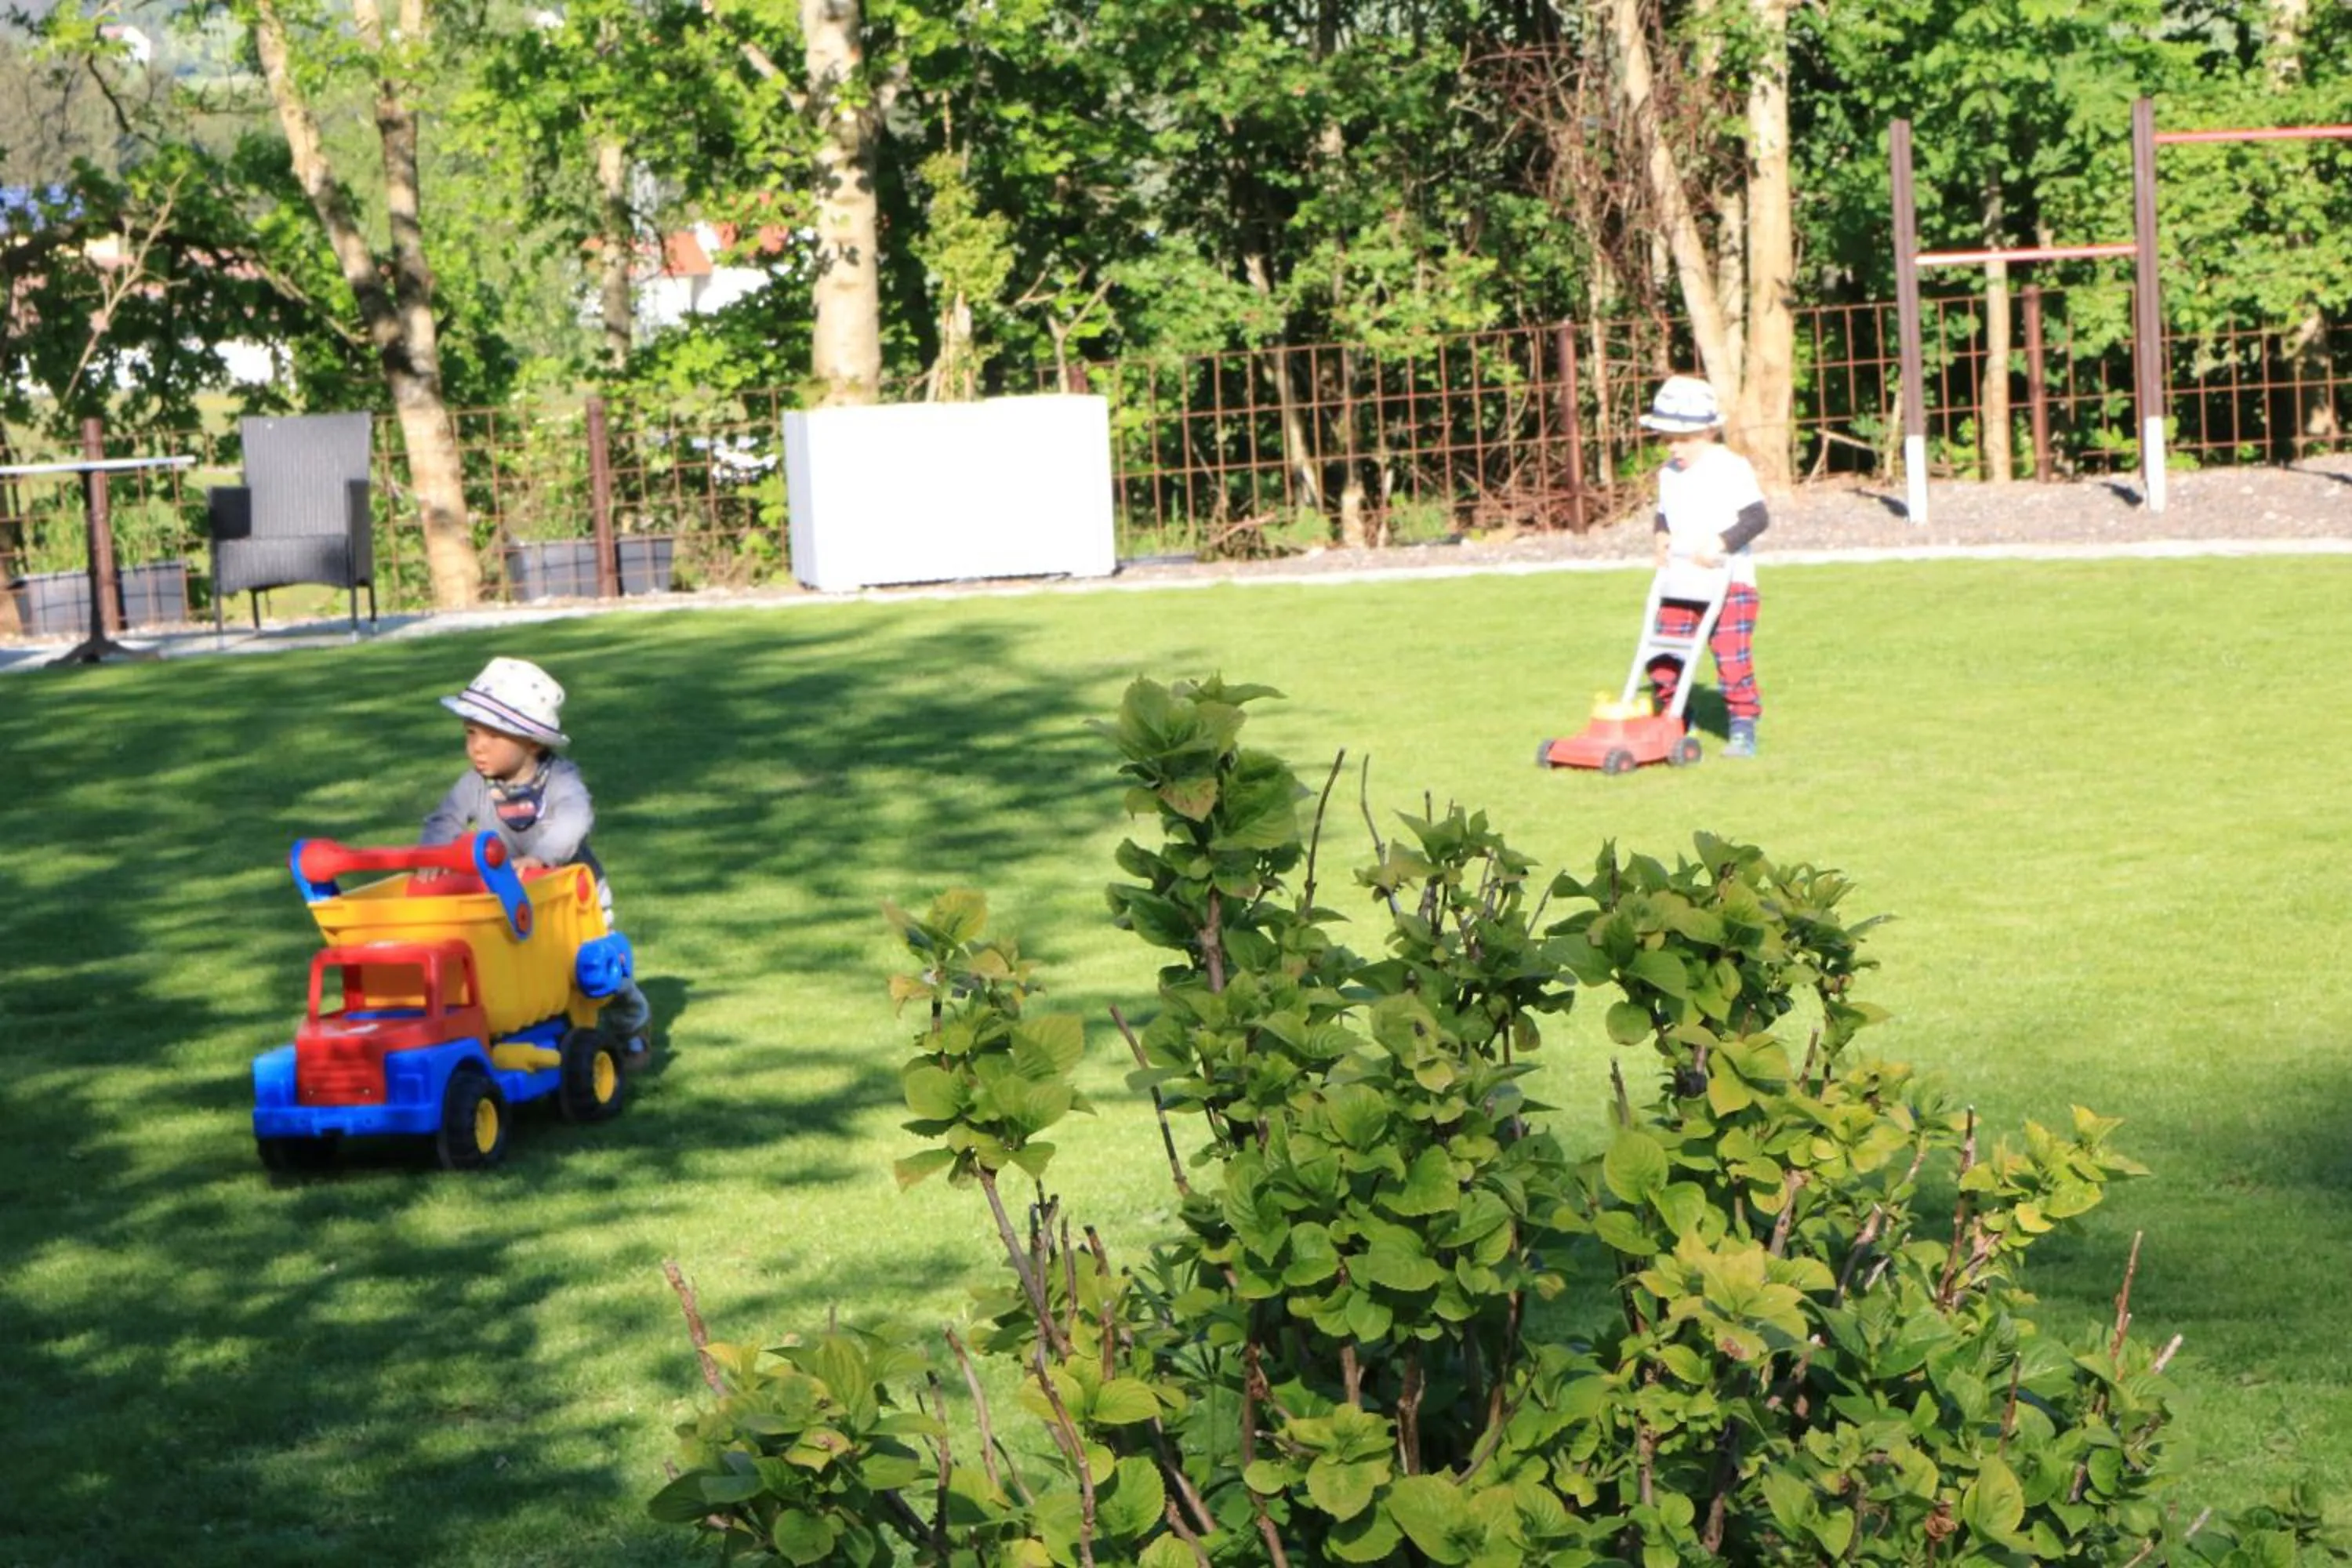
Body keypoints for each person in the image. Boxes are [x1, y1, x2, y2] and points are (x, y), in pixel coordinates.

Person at [419, 656, 653, 1058]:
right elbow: (445, 819)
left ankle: (631, 1020)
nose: (477, 746)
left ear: (532, 741)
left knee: (594, 972)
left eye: (492, 736)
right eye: (471, 733)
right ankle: (529, 1035)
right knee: (521, 971)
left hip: (574, 899)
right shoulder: (474, 784)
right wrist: (434, 855)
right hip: (511, 899)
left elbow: (576, 817)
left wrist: (543, 857)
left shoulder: (560, 779)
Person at [1640, 375, 1769, 758]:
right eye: (1668, 439)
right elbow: (1665, 516)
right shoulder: (1668, 475)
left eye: (1685, 438)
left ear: (1709, 431)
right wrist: (1661, 537)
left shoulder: (1730, 468)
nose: (1675, 447)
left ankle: (1743, 727)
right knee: (1663, 655)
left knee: (1731, 658)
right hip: (1681, 582)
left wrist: (1720, 543)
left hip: (1731, 583)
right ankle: (1678, 717)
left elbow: (1757, 518)